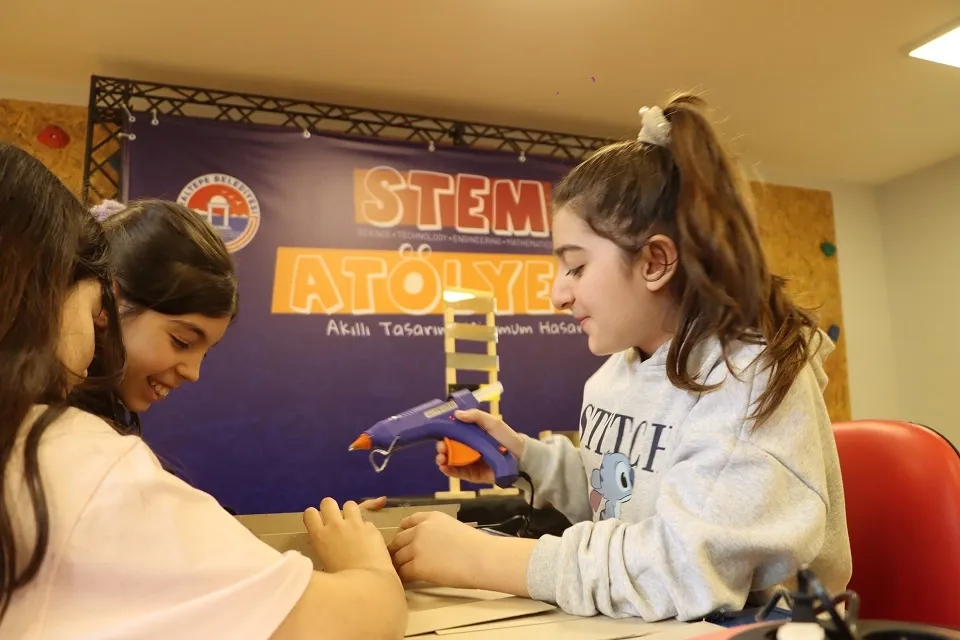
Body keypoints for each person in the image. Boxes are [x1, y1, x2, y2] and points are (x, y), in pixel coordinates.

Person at [386, 95, 853, 623]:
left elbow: (681, 568)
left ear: (654, 261)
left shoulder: (747, 381)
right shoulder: (615, 375)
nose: (557, 295)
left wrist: (482, 559)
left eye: (576, 267)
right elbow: (615, 492)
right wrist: (522, 458)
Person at [0, 144, 407, 639]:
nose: (191, 373)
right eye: (181, 340)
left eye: (204, 353)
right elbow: (357, 619)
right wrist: (366, 562)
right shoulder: (72, 461)